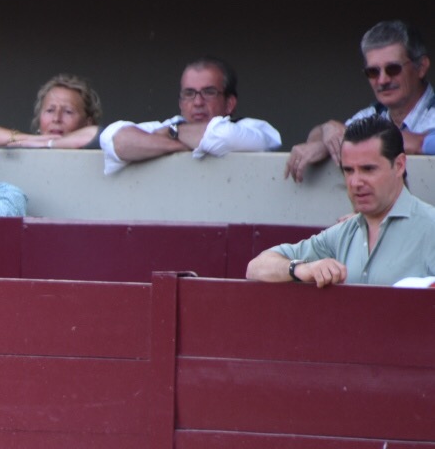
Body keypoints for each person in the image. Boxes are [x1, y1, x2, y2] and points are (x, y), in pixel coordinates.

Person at [248, 116, 435, 287]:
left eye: (368, 169)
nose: (355, 182)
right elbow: (256, 267)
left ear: (399, 165)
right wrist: (301, 268)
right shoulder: (343, 233)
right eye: (348, 170)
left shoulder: (430, 227)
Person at [286, 21, 435, 182]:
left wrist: (342, 141)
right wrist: (326, 132)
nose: (383, 80)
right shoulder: (373, 114)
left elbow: (416, 143)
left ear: (421, 67)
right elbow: (319, 133)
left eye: (393, 69)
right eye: (373, 72)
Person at [99, 57, 280, 175]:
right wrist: (183, 141)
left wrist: (172, 134)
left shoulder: (254, 127)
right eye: (189, 93)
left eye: (208, 92)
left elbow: (223, 136)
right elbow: (118, 140)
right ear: (180, 103)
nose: (198, 102)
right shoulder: (172, 125)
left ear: (229, 103)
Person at [0, 74, 103, 149]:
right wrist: (28, 140)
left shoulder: (99, 144)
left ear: (87, 122)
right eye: (50, 110)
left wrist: (51, 144)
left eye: (68, 112)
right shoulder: (28, 145)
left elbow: (95, 133)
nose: (56, 118)